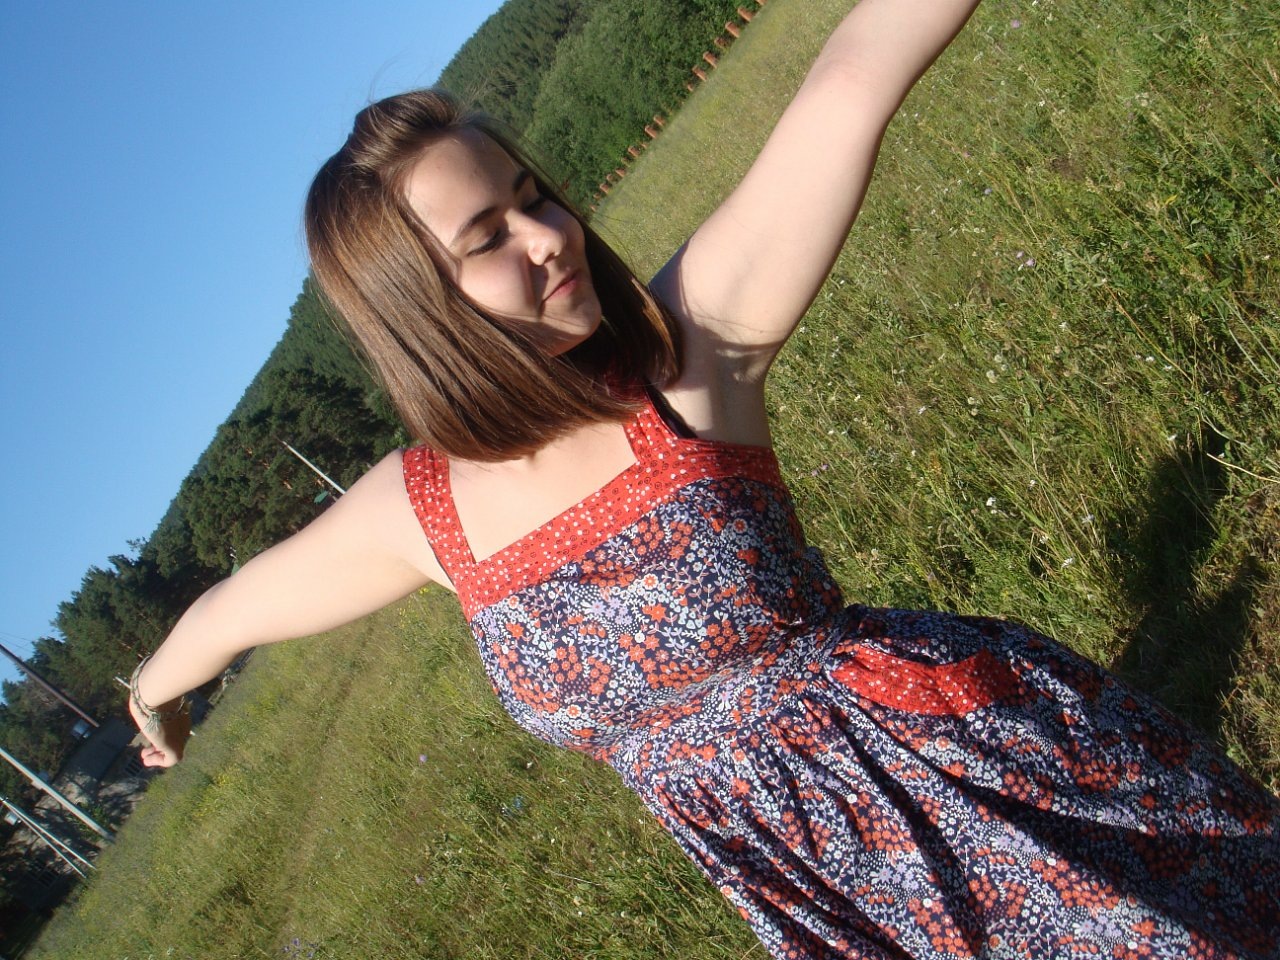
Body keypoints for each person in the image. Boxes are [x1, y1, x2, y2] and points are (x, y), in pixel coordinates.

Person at [128, 0, 1280, 956]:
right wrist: (149, 699)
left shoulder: (685, 355)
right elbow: (226, 614)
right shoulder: (416, 512)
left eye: (533, 195)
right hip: (819, 896)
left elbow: (849, 80)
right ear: (413, 312)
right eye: (487, 237)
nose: (548, 235)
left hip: (984, 790)